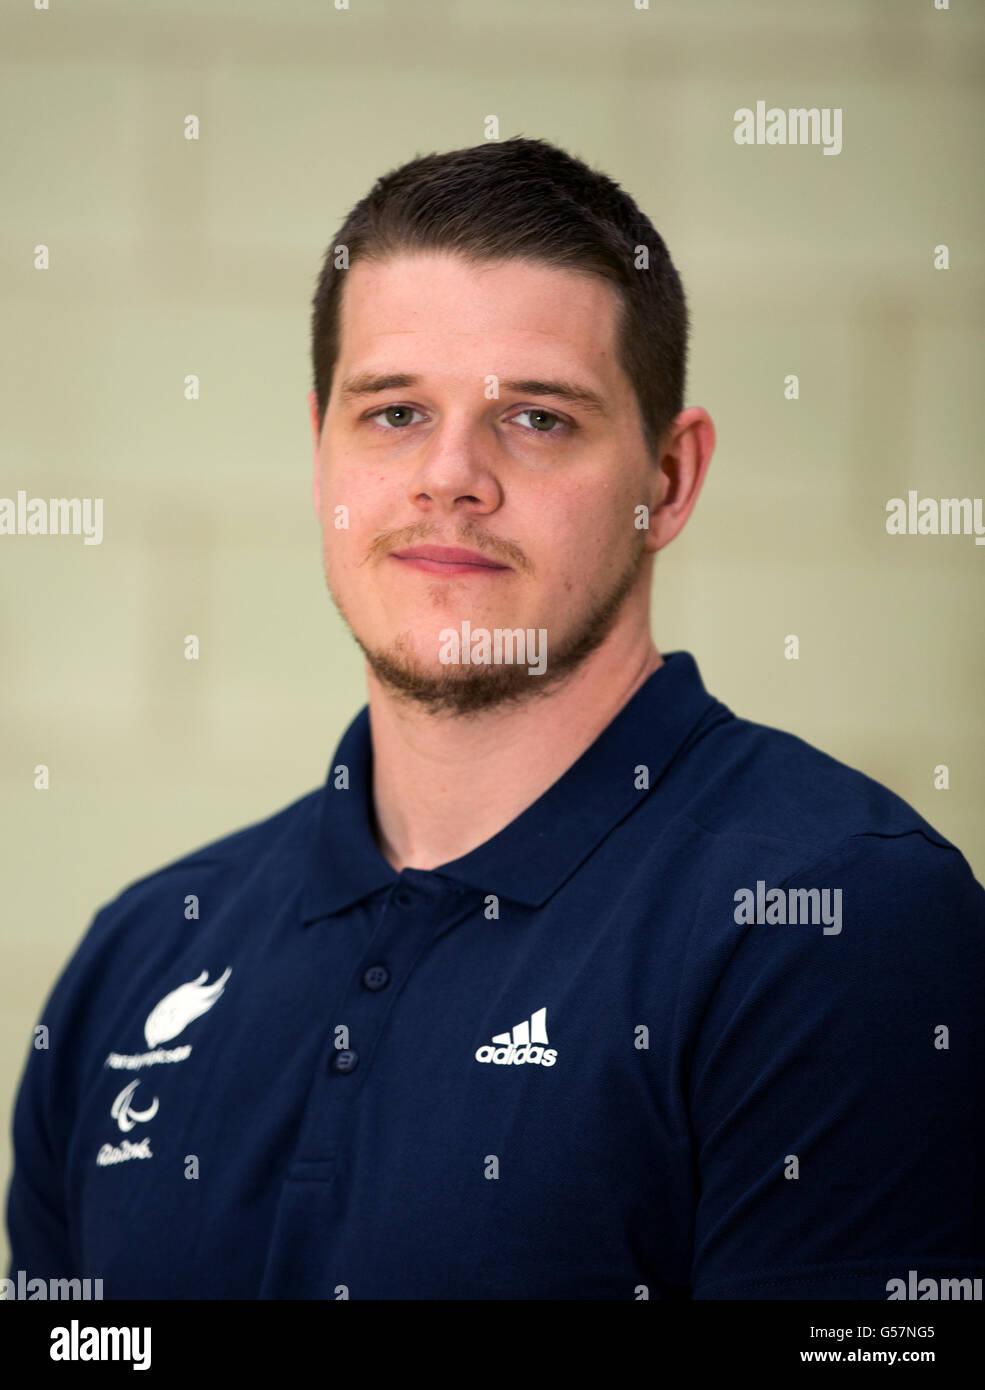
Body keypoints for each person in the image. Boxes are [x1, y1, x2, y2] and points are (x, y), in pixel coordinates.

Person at [6, 137, 983, 1301]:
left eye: (536, 418)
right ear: (319, 447)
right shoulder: (144, 951)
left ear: (667, 479)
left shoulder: (837, 925)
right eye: (394, 413)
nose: (450, 477)